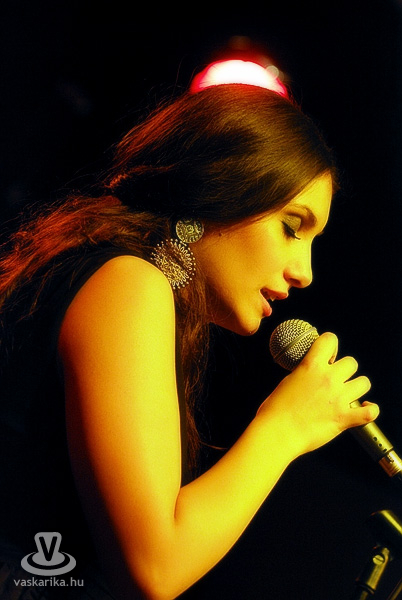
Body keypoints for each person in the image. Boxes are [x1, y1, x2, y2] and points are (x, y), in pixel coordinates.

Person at [0, 81, 378, 600]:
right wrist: (288, 426)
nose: (305, 272)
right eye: (292, 227)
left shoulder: (121, 281)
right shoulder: (129, 283)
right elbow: (154, 568)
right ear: (217, 191)